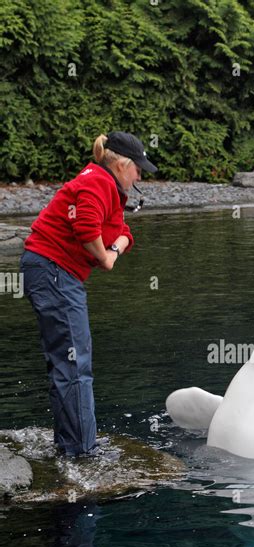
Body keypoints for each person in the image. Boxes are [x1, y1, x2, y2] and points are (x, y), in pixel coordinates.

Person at [20, 132, 157, 457]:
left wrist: (112, 251)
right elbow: (85, 229)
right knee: (75, 363)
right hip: (54, 270)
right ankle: (82, 453)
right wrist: (104, 257)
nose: (140, 175)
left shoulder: (106, 185)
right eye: (138, 168)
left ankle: (70, 444)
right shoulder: (99, 183)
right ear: (123, 164)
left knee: (67, 361)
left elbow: (124, 232)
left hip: (51, 270)